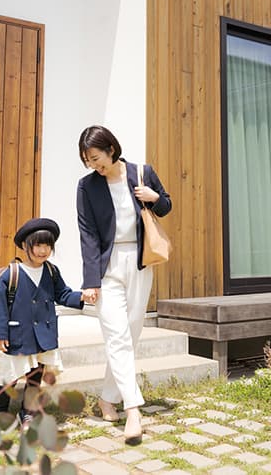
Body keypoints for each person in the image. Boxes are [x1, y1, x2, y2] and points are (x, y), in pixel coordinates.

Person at [76, 125, 172, 444]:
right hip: (108, 267)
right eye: (87, 161)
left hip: (140, 261)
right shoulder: (87, 186)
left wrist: (154, 198)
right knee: (117, 336)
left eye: (96, 158)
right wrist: (91, 281)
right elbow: (88, 235)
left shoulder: (142, 173)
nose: (93, 165)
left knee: (130, 334)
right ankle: (133, 410)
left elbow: (166, 206)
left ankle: (107, 399)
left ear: (111, 149)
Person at [0, 217, 89, 429]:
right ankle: (0, 410)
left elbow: (63, 294)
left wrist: (81, 296)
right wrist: (0, 334)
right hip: (19, 335)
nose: (43, 251)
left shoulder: (51, 272)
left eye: (48, 245)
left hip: (44, 333)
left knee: (36, 376)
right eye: (38, 245)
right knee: (11, 376)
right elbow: (1, 307)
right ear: (25, 245)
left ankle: (28, 412)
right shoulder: (12, 274)